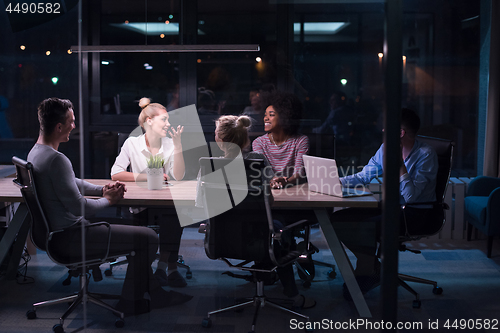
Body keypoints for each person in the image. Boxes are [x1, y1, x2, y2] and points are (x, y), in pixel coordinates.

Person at [27, 98, 192, 316]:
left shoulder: (36, 153)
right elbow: (79, 207)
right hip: (72, 236)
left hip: (57, 234)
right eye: (72, 121)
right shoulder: (57, 160)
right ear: (59, 127)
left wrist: (103, 190)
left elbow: (73, 183)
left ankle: (155, 291)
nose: (74, 126)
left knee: (142, 234)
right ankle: (130, 301)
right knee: (148, 238)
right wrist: (109, 201)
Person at [197, 114, 315, 309]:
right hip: (259, 237)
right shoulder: (257, 161)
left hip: (222, 238)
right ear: (245, 139)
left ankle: (263, 272)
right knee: (279, 231)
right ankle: (292, 295)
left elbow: (202, 203)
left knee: (273, 231)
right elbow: (269, 201)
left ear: (220, 140)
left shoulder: (209, 165)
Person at [332, 108, 438, 298]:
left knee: (365, 227)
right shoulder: (385, 148)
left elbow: (411, 197)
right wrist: (334, 181)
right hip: (391, 207)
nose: (383, 131)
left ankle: (365, 270)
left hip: (415, 213)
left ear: (400, 133)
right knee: (338, 219)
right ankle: (372, 266)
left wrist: (399, 164)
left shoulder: (426, 154)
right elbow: (364, 176)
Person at [111, 98, 188, 288]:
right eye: (164, 120)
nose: (168, 124)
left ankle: (165, 267)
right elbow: (116, 173)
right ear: (149, 121)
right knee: (155, 220)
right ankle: (155, 268)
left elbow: (177, 176)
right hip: (141, 204)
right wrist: (147, 176)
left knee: (175, 213)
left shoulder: (170, 144)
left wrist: (178, 148)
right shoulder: (132, 143)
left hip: (164, 202)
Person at [252, 91, 309, 189]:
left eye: (271, 115)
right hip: (269, 190)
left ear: (285, 116)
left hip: (294, 191)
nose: (266, 118)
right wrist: (276, 182)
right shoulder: (259, 143)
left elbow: (299, 173)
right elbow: (265, 171)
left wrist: (285, 182)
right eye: (265, 115)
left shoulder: (301, 141)